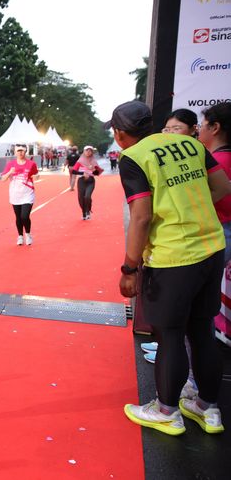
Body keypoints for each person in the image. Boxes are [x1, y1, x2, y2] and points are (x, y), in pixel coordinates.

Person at [113, 100, 229, 436]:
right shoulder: (191, 144)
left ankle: (166, 410)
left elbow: (141, 217)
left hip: (173, 256)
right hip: (211, 248)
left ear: (120, 134)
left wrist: (129, 268)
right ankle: (207, 407)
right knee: (202, 330)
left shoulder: (133, 157)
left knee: (170, 335)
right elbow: (222, 187)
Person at [200, 103, 231, 262]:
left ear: (215, 128)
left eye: (202, 125)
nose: (199, 130)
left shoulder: (214, 163)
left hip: (218, 233)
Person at [0, 145, 39, 245]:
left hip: (28, 193)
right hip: (15, 194)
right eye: (18, 151)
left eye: (22, 151)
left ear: (25, 152)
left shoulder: (31, 164)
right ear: (15, 152)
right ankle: (20, 236)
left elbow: (36, 174)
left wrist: (36, 176)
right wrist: (10, 172)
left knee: (24, 216)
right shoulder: (10, 164)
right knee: (18, 217)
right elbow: (3, 179)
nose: (20, 153)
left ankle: (28, 234)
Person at [71, 146, 103, 220]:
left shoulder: (93, 161)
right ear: (84, 152)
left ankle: (88, 210)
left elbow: (97, 173)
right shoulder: (80, 161)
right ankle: (84, 212)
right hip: (81, 181)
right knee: (81, 198)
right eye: (87, 150)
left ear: (92, 152)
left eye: (90, 151)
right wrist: (83, 173)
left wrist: (93, 170)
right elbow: (74, 171)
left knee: (87, 196)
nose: (88, 152)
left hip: (90, 181)